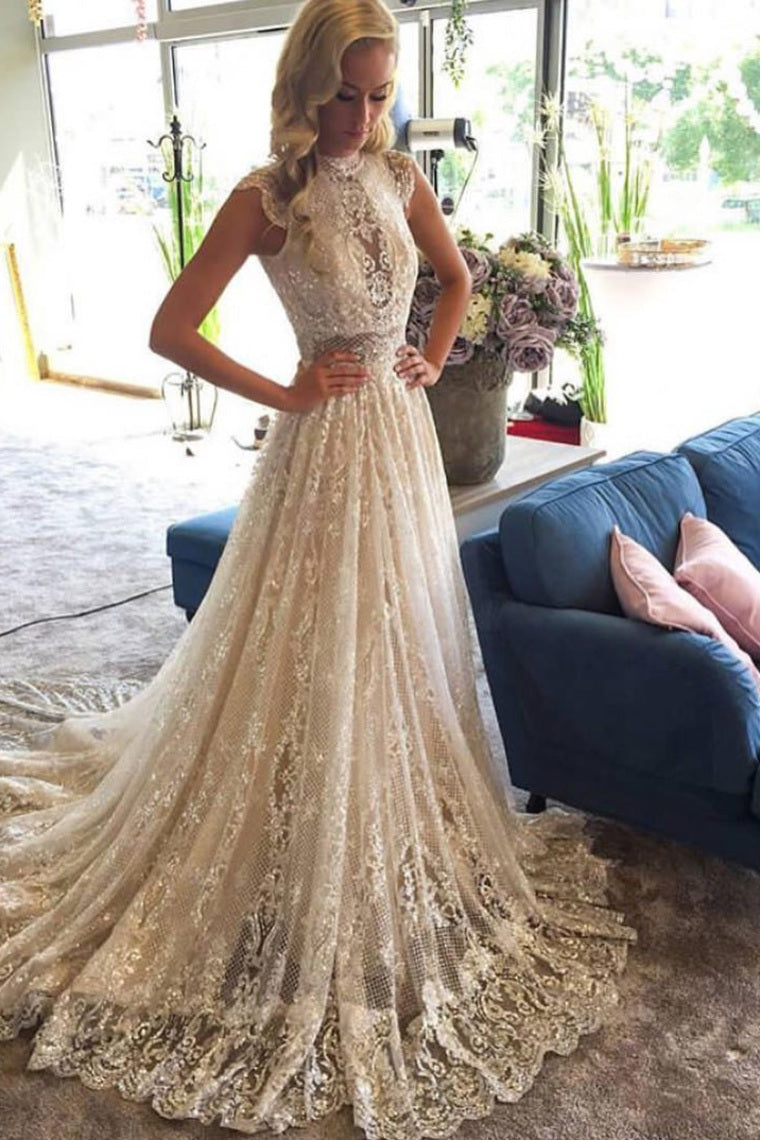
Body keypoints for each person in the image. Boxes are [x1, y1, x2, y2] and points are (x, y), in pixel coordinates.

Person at [0, 1, 635, 1136]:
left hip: (397, 437)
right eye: (345, 93)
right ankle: (296, 821)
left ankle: (380, 805)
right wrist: (288, 390)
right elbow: (170, 329)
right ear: (304, 86)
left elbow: (454, 279)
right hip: (321, 442)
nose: (364, 114)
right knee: (309, 629)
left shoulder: (399, 175)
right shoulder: (267, 196)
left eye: (380, 93)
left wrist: (427, 358)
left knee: (398, 623)